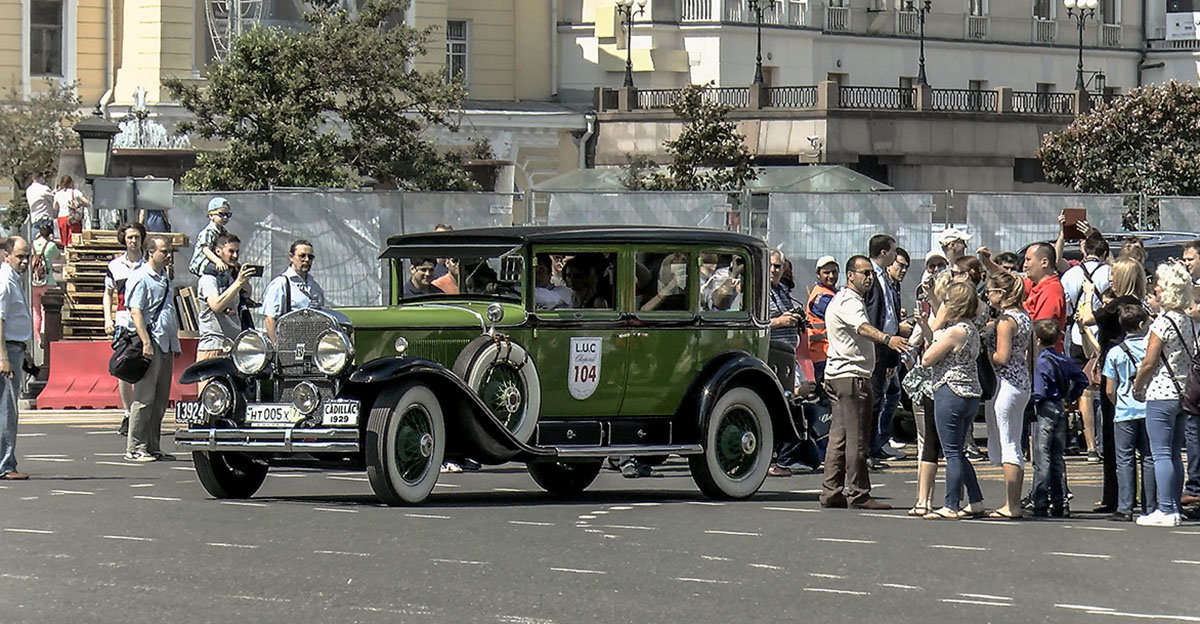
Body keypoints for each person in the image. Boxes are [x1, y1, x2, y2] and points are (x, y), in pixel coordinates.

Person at [820, 255, 907, 510]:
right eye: (863, 273)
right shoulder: (850, 301)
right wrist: (888, 339)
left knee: (840, 437)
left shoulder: (843, 299)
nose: (869, 278)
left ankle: (832, 490)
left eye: (870, 273)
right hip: (852, 376)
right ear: (851, 276)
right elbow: (862, 328)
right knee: (857, 438)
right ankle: (858, 493)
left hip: (839, 375)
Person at [911, 282, 986, 519]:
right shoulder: (971, 328)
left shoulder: (955, 331)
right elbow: (937, 341)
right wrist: (927, 328)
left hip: (950, 390)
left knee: (951, 451)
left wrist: (937, 321)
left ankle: (951, 504)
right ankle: (975, 500)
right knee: (959, 451)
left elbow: (928, 358)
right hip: (970, 393)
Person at [1132, 261, 1198, 527]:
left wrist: (1137, 385)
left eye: (1158, 286)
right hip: (1183, 392)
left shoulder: (1162, 323)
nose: (1155, 289)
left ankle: (1165, 508)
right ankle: (1174, 508)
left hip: (1161, 393)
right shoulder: (1187, 321)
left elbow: (1149, 362)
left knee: (1160, 452)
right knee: (1173, 453)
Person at [1085, 257, 1148, 513]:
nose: (1110, 280)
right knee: (1145, 450)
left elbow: (1088, 318)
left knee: (1115, 442)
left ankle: (1117, 498)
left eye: (1114, 276)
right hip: (1134, 372)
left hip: (1115, 370)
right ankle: (1143, 497)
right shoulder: (1139, 305)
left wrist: (1088, 295)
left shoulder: (1117, 306)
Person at [124, 235, 181, 462]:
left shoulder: (165, 278)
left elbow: (169, 311)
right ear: (151, 252)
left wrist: (174, 342)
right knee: (144, 397)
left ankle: (152, 446)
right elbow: (136, 311)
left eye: (169, 252)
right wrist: (146, 341)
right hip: (151, 342)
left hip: (165, 343)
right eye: (164, 252)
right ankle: (135, 446)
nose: (168, 256)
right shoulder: (141, 277)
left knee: (159, 399)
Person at [982, 271, 1032, 519]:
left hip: (1006, 382)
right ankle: (1013, 502)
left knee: (1009, 444)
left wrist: (983, 354)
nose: (987, 295)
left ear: (1000, 294)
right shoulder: (1023, 316)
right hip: (1021, 381)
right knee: (1012, 439)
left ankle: (1011, 504)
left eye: (990, 291)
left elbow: (1001, 357)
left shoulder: (1005, 321)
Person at [1029, 319, 1089, 518]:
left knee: (1042, 456)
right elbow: (1082, 379)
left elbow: (1039, 390)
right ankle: (1060, 501)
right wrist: (1071, 396)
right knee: (1057, 457)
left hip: (1045, 407)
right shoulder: (1062, 359)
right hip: (1060, 406)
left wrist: (1032, 403)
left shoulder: (1042, 361)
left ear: (1037, 340)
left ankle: (1039, 500)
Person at [1061, 231, 1111, 464]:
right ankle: (1106, 440)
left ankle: (1090, 445)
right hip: (1103, 334)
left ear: (1084, 251)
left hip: (1077, 334)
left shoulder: (1070, 274)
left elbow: (1066, 307)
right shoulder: (1109, 273)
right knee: (1107, 386)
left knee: (1084, 391)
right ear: (1104, 253)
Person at [1103, 303, 1156, 522]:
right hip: (1148, 408)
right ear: (1142, 324)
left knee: (1124, 459)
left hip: (1124, 411)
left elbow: (1109, 388)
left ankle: (1125, 507)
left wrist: (1117, 403)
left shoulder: (1115, 352)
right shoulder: (1150, 348)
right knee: (1149, 458)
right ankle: (1150, 505)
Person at [103, 222, 146, 436]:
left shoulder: (148, 264)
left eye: (137, 237)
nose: (133, 241)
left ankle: (140, 414)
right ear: (124, 240)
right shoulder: (115, 265)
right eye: (130, 237)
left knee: (143, 369)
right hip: (123, 320)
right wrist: (107, 319)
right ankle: (128, 413)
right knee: (123, 369)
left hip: (144, 322)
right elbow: (108, 292)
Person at [864, 234, 904, 466]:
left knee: (880, 398)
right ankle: (867, 450)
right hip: (876, 345)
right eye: (892, 251)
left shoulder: (886, 279)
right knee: (873, 398)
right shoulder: (871, 277)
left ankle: (874, 446)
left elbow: (889, 311)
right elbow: (872, 313)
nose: (894, 256)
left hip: (888, 345)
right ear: (883, 252)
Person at [766, 249, 803, 477]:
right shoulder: (759, 290)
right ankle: (772, 459)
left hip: (788, 356)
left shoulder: (782, 290)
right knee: (775, 406)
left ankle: (781, 457)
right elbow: (755, 323)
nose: (774, 270)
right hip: (770, 354)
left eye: (778, 267)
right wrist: (781, 321)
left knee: (788, 403)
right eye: (771, 266)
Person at [0, 238, 33, 480]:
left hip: (15, 347)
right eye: (20, 256)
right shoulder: (5, 282)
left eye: (27, 256)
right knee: (7, 409)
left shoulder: (14, 280)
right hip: (7, 350)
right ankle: (5, 465)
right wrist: (3, 357)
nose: (24, 261)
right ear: (6, 255)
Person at [197, 233, 255, 363]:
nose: (235, 256)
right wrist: (238, 283)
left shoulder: (231, 277)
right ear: (218, 251)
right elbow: (216, 305)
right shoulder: (209, 278)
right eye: (231, 251)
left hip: (233, 346)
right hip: (214, 346)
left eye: (237, 252)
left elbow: (247, 293)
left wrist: (243, 279)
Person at [263, 240, 324, 342]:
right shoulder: (280, 284)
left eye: (310, 257)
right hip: (289, 345)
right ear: (291, 257)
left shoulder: (315, 287)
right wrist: (277, 348)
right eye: (302, 256)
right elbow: (270, 319)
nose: (307, 260)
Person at [1023, 242, 1066, 353]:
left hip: (1043, 355)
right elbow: (1011, 281)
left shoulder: (1051, 290)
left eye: (1028, 260)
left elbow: (1042, 330)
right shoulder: (1035, 285)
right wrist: (990, 264)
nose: (1025, 265)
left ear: (1044, 262)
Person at [805, 256, 839, 386]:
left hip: (828, 354)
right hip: (822, 355)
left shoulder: (831, 292)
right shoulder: (821, 297)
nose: (831, 276)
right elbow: (842, 316)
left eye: (834, 272)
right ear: (818, 275)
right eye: (826, 272)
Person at [30, 223, 61, 345]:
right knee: (45, 311)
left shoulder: (32, 245)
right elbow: (58, 258)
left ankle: (37, 337)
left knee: (35, 311)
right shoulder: (51, 245)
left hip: (33, 283)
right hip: (48, 283)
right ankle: (44, 334)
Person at [189, 197, 233, 277]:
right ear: (211, 215)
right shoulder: (208, 232)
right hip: (203, 263)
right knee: (219, 271)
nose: (225, 217)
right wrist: (217, 261)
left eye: (228, 215)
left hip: (216, 261)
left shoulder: (224, 232)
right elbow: (205, 249)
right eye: (221, 214)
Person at [53, 175, 89, 247]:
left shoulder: (58, 194)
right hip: (72, 218)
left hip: (62, 217)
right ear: (71, 183)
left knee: (64, 240)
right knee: (73, 239)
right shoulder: (75, 192)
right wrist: (80, 204)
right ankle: (72, 255)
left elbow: (55, 207)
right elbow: (86, 202)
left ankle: (66, 253)